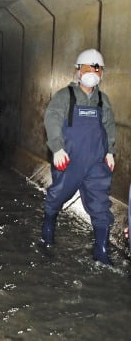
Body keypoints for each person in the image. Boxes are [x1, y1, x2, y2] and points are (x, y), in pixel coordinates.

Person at [41, 49, 117, 265]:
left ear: (102, 72)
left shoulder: (103, 100)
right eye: (86, 68)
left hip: (96, 161)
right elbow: (52, 119)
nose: (91, 72)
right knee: (57, 196)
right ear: (77, 71)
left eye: (96, 68)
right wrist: (57, 148)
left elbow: (109, 125)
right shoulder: (65, 96)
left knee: (100, 203)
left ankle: (101, 251)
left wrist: (110, 151)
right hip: (69, 158)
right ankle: (47, 231)